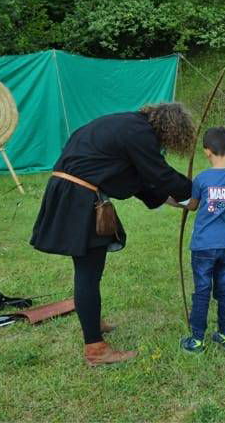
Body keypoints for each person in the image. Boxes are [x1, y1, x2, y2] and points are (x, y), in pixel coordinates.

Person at [30, 103, 195, 366]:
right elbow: (157, 172)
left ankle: (92, 322)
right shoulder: (139, 133)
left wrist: (169, 198)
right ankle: (95, 348)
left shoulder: (124, 125)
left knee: (89, 270)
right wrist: (191, 191)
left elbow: (133, 177)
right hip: (79, 198)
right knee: (87, 272)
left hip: (71, 193)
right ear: (171, 129)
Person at [179, 127, 225, 354]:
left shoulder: (201, 178)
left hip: (203, 246)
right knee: (224, 288)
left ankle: (197, 340)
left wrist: (175, 201)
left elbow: (192, 206)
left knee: (202, 290)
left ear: (206, 151)